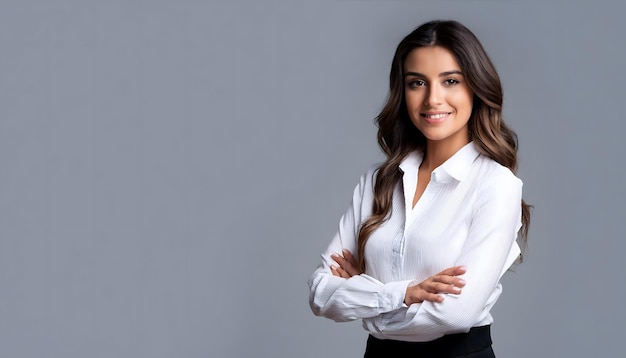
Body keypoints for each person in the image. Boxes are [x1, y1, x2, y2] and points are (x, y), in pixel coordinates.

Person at [308, 20, 531, 357]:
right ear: (403, 92)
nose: (432, 99)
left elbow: (456, 313)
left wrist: (369, 303)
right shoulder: (377, 181)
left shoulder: (495, 186)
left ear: (476, 88)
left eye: (451, 81)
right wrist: (405, 293)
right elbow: (320, 293)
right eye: (417, 83)